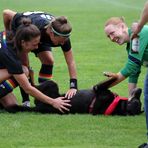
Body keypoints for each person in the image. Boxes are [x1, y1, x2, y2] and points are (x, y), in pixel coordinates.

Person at [3, 10, 78, 107]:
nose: (63, 43)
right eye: (60, 41)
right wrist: (8, 33)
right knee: (24, 68)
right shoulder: (32, 28)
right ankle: (26, 101)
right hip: (22, 38)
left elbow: (70, 62)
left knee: (48, 61)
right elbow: (7, 13)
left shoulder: (62, 35)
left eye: (64, 41)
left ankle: (45, 95)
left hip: (39, 38)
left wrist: (73, 86)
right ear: (51, 33)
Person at [104, 16, 148, 148]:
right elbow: (134, 72)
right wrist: (131, 98)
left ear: (122, 27)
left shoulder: (137, 35)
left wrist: (103, 86)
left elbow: (131, 66)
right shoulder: (131, 44)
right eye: (108, 37)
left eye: (112, 33)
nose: (112, 38)